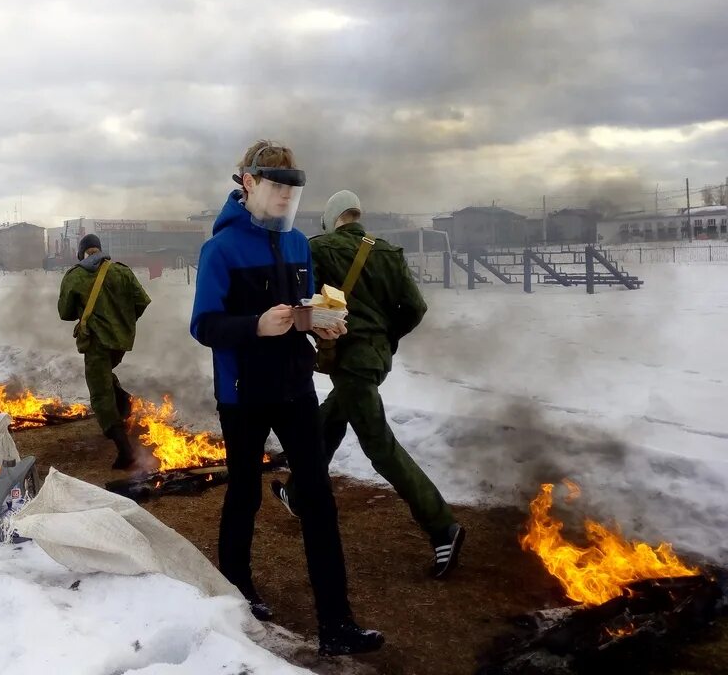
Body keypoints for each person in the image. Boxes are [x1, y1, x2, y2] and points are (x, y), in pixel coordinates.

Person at [190, 141, 383, 657]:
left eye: (291, 189)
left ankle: (336, 624)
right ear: (249, 183)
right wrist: (254, 325)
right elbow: (204, 325)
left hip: (296, 386)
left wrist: (323, 324)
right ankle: (235, 589)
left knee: (318, 498)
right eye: (274, 187)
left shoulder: (299, 244)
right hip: (243, 392)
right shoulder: (221, 250)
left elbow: (303, 308)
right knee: (246, 492)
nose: (283, 198)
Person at [271, 191, 465, 578]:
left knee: (380, 446)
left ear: (331, 218)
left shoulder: (320, 249)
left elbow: (303, 301)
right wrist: (383, 336)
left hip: (349, 358)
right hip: (376, 359)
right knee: (329, 420)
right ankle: (299, 492)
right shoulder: (388, 252)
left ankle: (442, 527)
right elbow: (415, 308)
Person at [58, 234, 151, 469]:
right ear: (99, 249)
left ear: (82, 253)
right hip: (121, 342)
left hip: (97, 343)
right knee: (105, 374)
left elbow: (65, 312)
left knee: (100, 394)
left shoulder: (75, 275)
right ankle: (125, 403)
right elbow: (141, 301)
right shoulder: (121, 271)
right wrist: (124, 322)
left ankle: (125, 450)